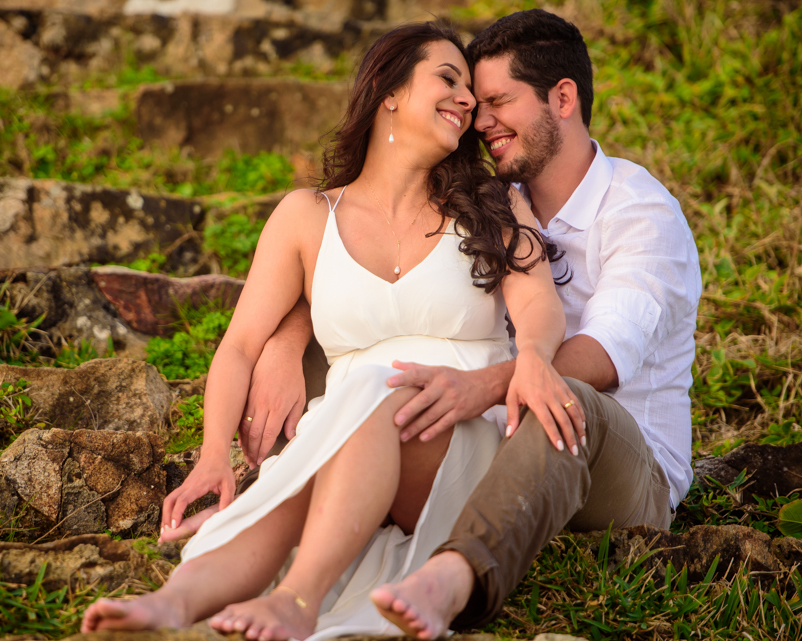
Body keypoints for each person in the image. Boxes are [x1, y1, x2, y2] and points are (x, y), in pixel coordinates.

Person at [81, 21, 585, 641]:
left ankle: (298, 598)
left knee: (382, 387)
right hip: (347, 441)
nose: (467, 102)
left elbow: (538, 304)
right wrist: (215, 454)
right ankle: (176, 601)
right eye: (448, 80)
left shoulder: (489, 202)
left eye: (472, 94)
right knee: (336, 430)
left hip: (457, 441)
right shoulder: (305, 217)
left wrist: (533, 355)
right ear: (390, 92)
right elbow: (239, 345)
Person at [234, 9, 703, 638]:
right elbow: (368, 298)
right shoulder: (495, 205)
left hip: (619, 468)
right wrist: (285, 346)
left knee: (564, 399)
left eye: (498, 102)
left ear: (562, 98)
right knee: (374, 351)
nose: (479, 122)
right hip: (496, 445)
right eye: (474, 104)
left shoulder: (639, 212)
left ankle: (452, 577)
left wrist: (485, 386)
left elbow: (605, 356)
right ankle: (292, 516)